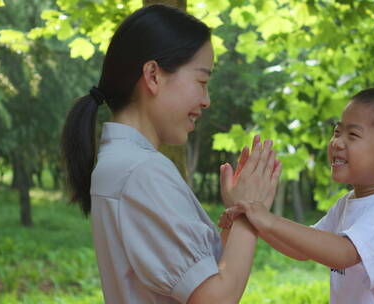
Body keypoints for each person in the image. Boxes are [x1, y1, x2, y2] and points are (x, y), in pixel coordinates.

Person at [60, 4, 281, 304]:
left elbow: (201, 275)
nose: (207, 101)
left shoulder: (124, 164)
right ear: (153, 75)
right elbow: (214, 298)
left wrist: (234, 218)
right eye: (202, 82)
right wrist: (250, 213)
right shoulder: (140, 171)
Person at [221, 88, 374, 303]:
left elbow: (343, 254)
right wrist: (252, 218)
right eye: (337, 132)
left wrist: (269, 220)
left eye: (353, 135)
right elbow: (302, 249)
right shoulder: (348, 202)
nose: (336, 142)